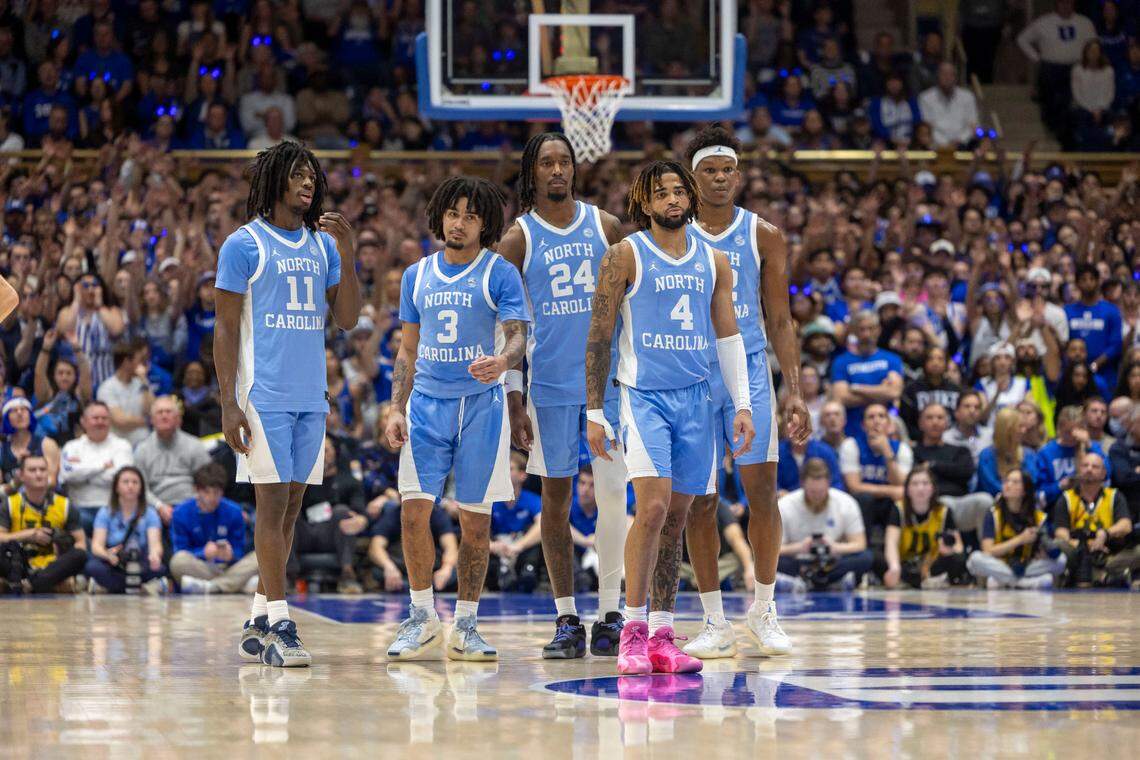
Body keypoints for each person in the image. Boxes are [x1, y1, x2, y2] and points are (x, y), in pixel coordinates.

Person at [584, 159, 754, 675]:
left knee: (679, 517)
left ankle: (662, 632)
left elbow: (728, 336)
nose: (673, 199)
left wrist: (742, 403)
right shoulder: (624, 255)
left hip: (698, 399)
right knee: (653, 509)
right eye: (662, 193)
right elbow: (599, 337)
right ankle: (631, 631)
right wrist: (595, 410)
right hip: (643, 398)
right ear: (644, 201)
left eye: (680, 191)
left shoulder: (715, 261)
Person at [215, 141, 360, 667]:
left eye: (311, 176)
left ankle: (258, 617)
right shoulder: (243, 244)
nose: (308, 183)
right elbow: (226, 329)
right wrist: (229, 404)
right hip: (263, 395)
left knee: (292, 506)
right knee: (272, 505)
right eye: (298, 175)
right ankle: (280, 621)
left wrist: (347, 250)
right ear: (274, 180)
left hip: (310, 395)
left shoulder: (323, 246)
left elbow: (346, 319)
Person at [675, 126, 809, 660]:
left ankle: (764, 606)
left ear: (739, 173)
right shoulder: (672, 233)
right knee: (701, 501)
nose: (721, 178)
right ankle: (713, 618)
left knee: (762, 493)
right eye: (709, 170)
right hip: (689, 371)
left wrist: (793, 389)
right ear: (692, 177)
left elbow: (781, 317)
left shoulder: (765, 234)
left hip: (749, 368)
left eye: (728, 169)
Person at [383, 176, 529, 662]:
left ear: (484, 224)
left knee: (476, 523)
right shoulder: (416, 275)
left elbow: (516, 337)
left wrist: (504, 363)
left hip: (480, 407)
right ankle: (422, 616)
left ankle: (466, 623)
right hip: (425, 402)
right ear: (439, 217)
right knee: (412, 512)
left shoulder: (500, 273)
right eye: (452, 213)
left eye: (469, 215)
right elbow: (407, 349)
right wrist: (395, 407)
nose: (458, 223)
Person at [496, 132, 629, 659]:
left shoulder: (607, 226)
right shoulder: (517, 238)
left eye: (565, 162)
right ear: (532, 173)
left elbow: (630, 306)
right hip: (547, 386)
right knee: (557, 498)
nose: (557, 170)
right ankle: (566, 616)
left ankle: (612, 612)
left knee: (616, 494)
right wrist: (513, 394)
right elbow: (507, 329)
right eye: (547, 163)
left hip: (609, 384)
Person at [776, 458, 872, 589]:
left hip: (832, 561)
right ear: (802, 484)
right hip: (799, 560)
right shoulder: (784, 505)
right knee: (772, 561)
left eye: (821, 492)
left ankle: (808, 581)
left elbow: (860, 544)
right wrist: (800, 547)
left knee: (865, 557)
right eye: (812, 492)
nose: (817, 497)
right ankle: (828, 581)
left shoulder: (846, 503)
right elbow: (774, 550)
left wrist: (834, 547)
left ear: (828, 484)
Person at [290, 437, 368, 594]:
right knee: (289, 515)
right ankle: (288, 575)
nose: (322, 455)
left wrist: (362, 520)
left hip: (332, 534)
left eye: (326, 450)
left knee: (342, 511)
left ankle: (347, 573)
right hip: (306, 532)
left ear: (334, 453)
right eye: (318, 451)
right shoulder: (301, 481)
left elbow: (360, 512)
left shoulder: (349, 481)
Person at [0, 455, 87, 593]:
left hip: (51, 566)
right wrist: (29, 535)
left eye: (42, 469)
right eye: (32, 470)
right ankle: (42, 584)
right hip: (19, 564)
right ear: (21, 476)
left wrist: (62, 547)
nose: (39, 474)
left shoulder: (64, 504)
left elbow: (81, 543)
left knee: (80, 555)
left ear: (49, 473)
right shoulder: (10, 503)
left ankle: (25, 584)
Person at [966, 469, 1064, 589]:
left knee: (1061, 561)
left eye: (1015, 482)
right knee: (975, 559)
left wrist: (1043, 551)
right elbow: (988, 550)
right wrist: (1020, 539)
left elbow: (1047, 552)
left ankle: (1007, 581)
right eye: (1006, 481)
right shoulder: (993, 514)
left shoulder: (1039, 517)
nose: (1008, 485)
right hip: (1000, 563)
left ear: (1025, 491)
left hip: (1026, 565)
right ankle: (1022, 583)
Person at [1052, 452, 1140, 584]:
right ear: (1079, 470)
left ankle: (1101, 576)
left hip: (1109, 554)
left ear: (1104, 473)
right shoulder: (1066, 498)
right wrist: (1079, 545)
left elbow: (1125, 525)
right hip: (1078, 553)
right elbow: (1060, 531)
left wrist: (1105, 534)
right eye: (1085, 465)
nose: (1089, 469)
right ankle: (1107, 578)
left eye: (1095, 466)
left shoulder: (1114, 496)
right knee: (1057, 545)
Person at [878, 465, 969, 589]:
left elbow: (958, 546)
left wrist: (949, 551)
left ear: (932, 488)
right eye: (915, 484)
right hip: (905, 562)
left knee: (959, 558)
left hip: (932, 563)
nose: (920, 488)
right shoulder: (898, 509)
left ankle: (928, 579)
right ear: (908, 489)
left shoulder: (943, 511)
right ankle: (908, 579)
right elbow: (891, 542)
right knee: (877, 558)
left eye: (925, 483)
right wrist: (894, 567)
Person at [912, 403, 994, 539]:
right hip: (932, 503)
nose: (935, 422)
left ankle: (987, 550)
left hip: (960, 503)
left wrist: (933, 466)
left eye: (940, 417)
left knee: (985, 500)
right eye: (929, 417)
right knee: (944, 503)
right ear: (920, 423)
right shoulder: (914, 451)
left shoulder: (960, 450)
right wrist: (950, 471)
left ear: (947, 423)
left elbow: (966, 472)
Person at [84, 466, 166, 594]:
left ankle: (109, 587)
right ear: (116, 487)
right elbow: (96, 546)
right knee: (92, 567)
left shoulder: (150, 513)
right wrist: (107, 555)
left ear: (141, 488)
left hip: (140, 561)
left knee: (160, 568)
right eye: (126, 482)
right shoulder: (105, 512)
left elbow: (155, 544)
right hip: (115, 562)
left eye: (135, 482)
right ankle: (141, 588)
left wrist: (154, 555)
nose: (130, 486)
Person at [839, 403, 913, 542]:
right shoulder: (851, 445)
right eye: (871, 417)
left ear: (890, 424)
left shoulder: (902, 448)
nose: (876, 421)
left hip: (888, 502)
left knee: (899, 501)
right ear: (863, 425)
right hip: (862, 501)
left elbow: (902, 485)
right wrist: (891, 491)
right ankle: (863, 546)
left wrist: (887, 453)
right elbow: (854, 487)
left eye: (881, 416)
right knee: (865, 499)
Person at [57, 401, 134, 534]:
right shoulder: (71, 447)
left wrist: (83, 474)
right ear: (83, 421)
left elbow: (123, 479)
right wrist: (103, 467)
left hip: (113, 509)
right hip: (79, 509)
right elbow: (68, 475)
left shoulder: (122, 446)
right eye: (95, 418)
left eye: (104, 418)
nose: (100, 422)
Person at [133, 396, 211, 525]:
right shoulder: (142, 449)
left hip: (193, 506)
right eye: (160, 412)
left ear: (178, 419)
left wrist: (191, 505)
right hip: (155, 509)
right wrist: (159, 506)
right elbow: (140, 488)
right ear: (152, 420)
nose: (164, 416)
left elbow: (208, 481)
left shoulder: (195, 445)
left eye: (168, 412)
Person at [830, 310, 904, 437]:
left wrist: (856, 388)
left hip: (887, 431)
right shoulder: (841, 362)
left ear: (878, 330)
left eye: (871, 328)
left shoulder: (892, 359)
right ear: (854, 332)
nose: (866, 334)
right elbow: (841, 397)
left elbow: (894, 392)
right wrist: (881, 391)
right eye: (861, 329)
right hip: (852, 432)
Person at [368, 499, 458, 594]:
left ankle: (413, 588)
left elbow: (450, 547)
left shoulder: (437, 514)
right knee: (378, 572)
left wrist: (446, 568)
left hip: (432, 570)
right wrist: (388, 567)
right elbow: (375, 547)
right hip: (401, 569)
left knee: (454, 574)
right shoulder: (392, 515)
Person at [487, 452, 543, 593]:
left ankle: (528, 573)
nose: (505, 473)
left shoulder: (531, 499)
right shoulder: (490, 499)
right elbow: (476, 530)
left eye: (510, 469)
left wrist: (519, 545)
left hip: (520, 547)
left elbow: (542, 525)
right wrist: (492, 545)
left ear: (522, 475)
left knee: (537, 536)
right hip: (496, 548)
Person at [1036, 405, 1110, 506]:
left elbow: (1107, 474)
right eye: (1067, 432)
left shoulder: (1091, 448)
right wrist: (1060, 486)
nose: (1072, 437)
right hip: (1057, 506)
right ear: (1059, 429)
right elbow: (1040, 493)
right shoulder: (1046, 453)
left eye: (1075, 432)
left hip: (1088, 505)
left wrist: (1089, 444)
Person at [1066, 264, 1123, 392]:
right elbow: (1065, 342)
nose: (1088, 283)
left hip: (1105, 374)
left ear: (1098, 282)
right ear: (1077, 283)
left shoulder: (1111, 311)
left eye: (1092, 279)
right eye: (1083, 279)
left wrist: (1095, 364)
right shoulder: (1068, 311)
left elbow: (1116, 345)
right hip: (1073, 373)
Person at [96, 339, 155, 447]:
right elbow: (120, 421)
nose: (142, 365)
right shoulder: (106, 388)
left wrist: (144, 381)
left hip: (145, 443)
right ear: (126, 362)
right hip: (118, 446)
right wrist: (146, 421)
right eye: (139, 361)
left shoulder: (142, 383)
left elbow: (152, 411)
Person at [899, 346, 961, 441]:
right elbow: (906, 421)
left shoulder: (956, 390)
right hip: (920, 442)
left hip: (952, 441)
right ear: (924, 362)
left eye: (940, 359)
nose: (935, 363)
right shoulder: (911, 390)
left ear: (946, 363)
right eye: (931, 359)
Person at [978, 407, 1040, 497]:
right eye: (1020, 426)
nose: (1024, 430)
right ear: (1007, 430)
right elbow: (991, 486)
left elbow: (1031, 481)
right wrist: (1013, 494)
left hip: (1022, 501)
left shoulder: (1029, 454)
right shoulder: (987, 456)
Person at [917, 62, 980, 149]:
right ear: (938, 76)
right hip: (936, 145)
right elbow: (928, 126)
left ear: (955, 78)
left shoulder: (968, 97)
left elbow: (972, 125)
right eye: (944, 74)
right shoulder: (925, 98)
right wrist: (945, 145)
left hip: (962, 145)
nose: (947, 78)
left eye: (951, 74)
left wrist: (960, 140)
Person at [0, 397, 61, 487]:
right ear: (6, 419)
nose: (19, 413)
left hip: (43, 499)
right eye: (14, 410)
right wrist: (16, 483)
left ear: (30, 415)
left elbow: (52, 481)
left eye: (24, 409)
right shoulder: (2, 449)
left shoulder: (47, 444)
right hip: (12, 500)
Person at [943, 391, 993, 464]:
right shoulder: (946, 438)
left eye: (977, 407)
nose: (972, 411)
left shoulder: (990, 436)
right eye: (967, 406)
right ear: (957, 412)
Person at [1109, 405, 1140, 520]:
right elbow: (1123, 478)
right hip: (1129, 509)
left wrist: (1135, 471)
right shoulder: (1119, 448)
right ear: (1131, 424)